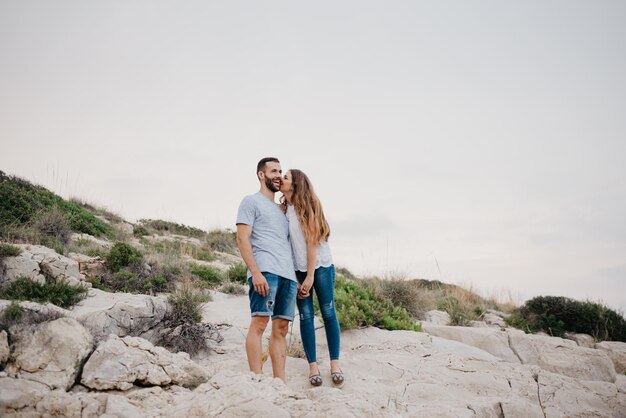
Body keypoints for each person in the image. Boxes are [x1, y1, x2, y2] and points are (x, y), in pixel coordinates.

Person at [236, 157, 298, 383]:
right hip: (265, 271)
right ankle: (257, 379)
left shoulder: (283, 211)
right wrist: (255, 271)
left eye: (280, 171)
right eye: (273, 171)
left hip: (288, 277)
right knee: (260, 323)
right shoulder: (250, 201)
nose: (278, 175)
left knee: (281, 329)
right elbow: (242, 238)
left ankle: (279, 382)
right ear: (261, 175)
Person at [280, 169, 344, 387]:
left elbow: (311, 243)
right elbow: (285, 246)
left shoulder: (308, 207)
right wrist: (294, 276)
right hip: (297, 269)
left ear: (296, 184)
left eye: (286, 177)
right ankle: (313, 366)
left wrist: (309, 276)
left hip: (320, 266)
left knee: (327, 311)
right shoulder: (283, 209)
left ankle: (335, 363)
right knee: (306, 316)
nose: (281, 179)